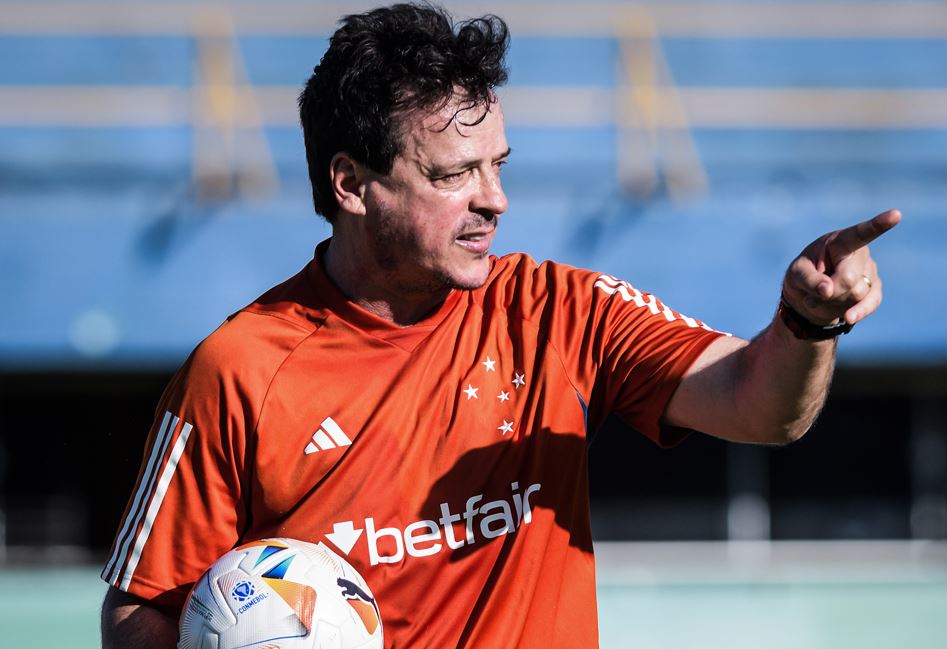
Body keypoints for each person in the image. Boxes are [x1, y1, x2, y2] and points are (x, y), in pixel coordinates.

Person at [100, 4, 900, 647]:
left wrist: (804, 322)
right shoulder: (239, 369)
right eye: (454, 174)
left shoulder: (555, 309)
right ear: (351, 183)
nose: (494, 200)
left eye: (498, 165)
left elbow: (761, 407)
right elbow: (141, 611)